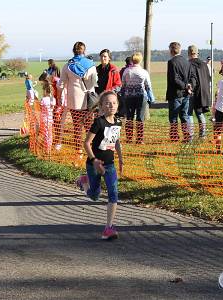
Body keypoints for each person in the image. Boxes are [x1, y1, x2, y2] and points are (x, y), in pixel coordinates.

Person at [76, 91, 123, 240]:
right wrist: (94, 160)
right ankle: (84, 182)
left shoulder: (118, 122)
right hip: (94, 164)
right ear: (101, 106)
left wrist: (120, 158)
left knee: (113, 193)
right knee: (94, 196)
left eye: (114, 103)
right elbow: (86, 143)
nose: (111, 106)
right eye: (108, 103)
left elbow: (116, 141)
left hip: (109, 165)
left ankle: (108, 228)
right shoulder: (99, 122)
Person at [57, 41, 98, 160]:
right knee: (89, 126)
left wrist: (60, 95)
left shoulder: (67, 65)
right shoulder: (91, 64)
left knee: (77, 127)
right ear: (84, 50)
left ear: (73, 51)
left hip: (73, 100)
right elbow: (95, 82)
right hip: (88, 100)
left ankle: (78, 151)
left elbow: (61, 85)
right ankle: (92, 150)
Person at [121, 52, 154, 144]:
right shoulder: (144, 72)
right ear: (140, 60)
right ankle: (139, 139)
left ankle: (129, 138)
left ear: (132, 60)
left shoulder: (126, 71)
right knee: (140, 117)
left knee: (129, 117)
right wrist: (151, 98)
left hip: (129, 97)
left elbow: (123, 85)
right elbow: (148, 86)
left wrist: (123, 95)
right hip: (140, 97)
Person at [166, 42, 192, 142]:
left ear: (171, 50)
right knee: (184, 116)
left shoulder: (172, 62)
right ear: (180, 50)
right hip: (186, 94)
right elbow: (190, 76)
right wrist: (188, 87)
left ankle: (174, 137)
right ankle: (187, 136)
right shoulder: (187, 61)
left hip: (175, 94)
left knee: (173, 117)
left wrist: (185, 86)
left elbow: (174, 79)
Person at [187, 45, 211, 138]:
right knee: (199, 113)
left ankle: (191, 135)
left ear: (189, 53)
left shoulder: (188, 64)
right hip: (203, 93)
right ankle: (203, 135)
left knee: (189, 114)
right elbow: (208, 78)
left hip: (192, 91)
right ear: (197, 53)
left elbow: (190, 79)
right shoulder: (204, 64)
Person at [39, 83, 55, 152]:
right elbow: (52, 108)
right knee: (50, 134)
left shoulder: (43, 99)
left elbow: (40, 107)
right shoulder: (53, 100)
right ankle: (49, 147)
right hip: (50, 119)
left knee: (45, 134)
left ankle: (46, 148)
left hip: (44, 119)